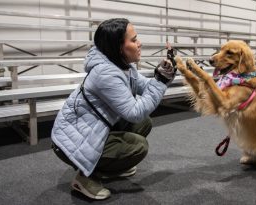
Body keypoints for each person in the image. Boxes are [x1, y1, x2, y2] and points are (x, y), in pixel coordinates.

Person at [51, 18, 176, 200]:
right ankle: (85, 179)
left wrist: (161, 75)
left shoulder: (122, 65)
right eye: (133, 40)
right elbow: (134, 112)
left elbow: (145, 86)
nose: (139, 43)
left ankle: (108, 168)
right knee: (138, 146)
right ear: (118, 47)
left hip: (92, 129)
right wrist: (162, 81)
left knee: (144, 123)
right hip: (71, 141)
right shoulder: (105, 73)